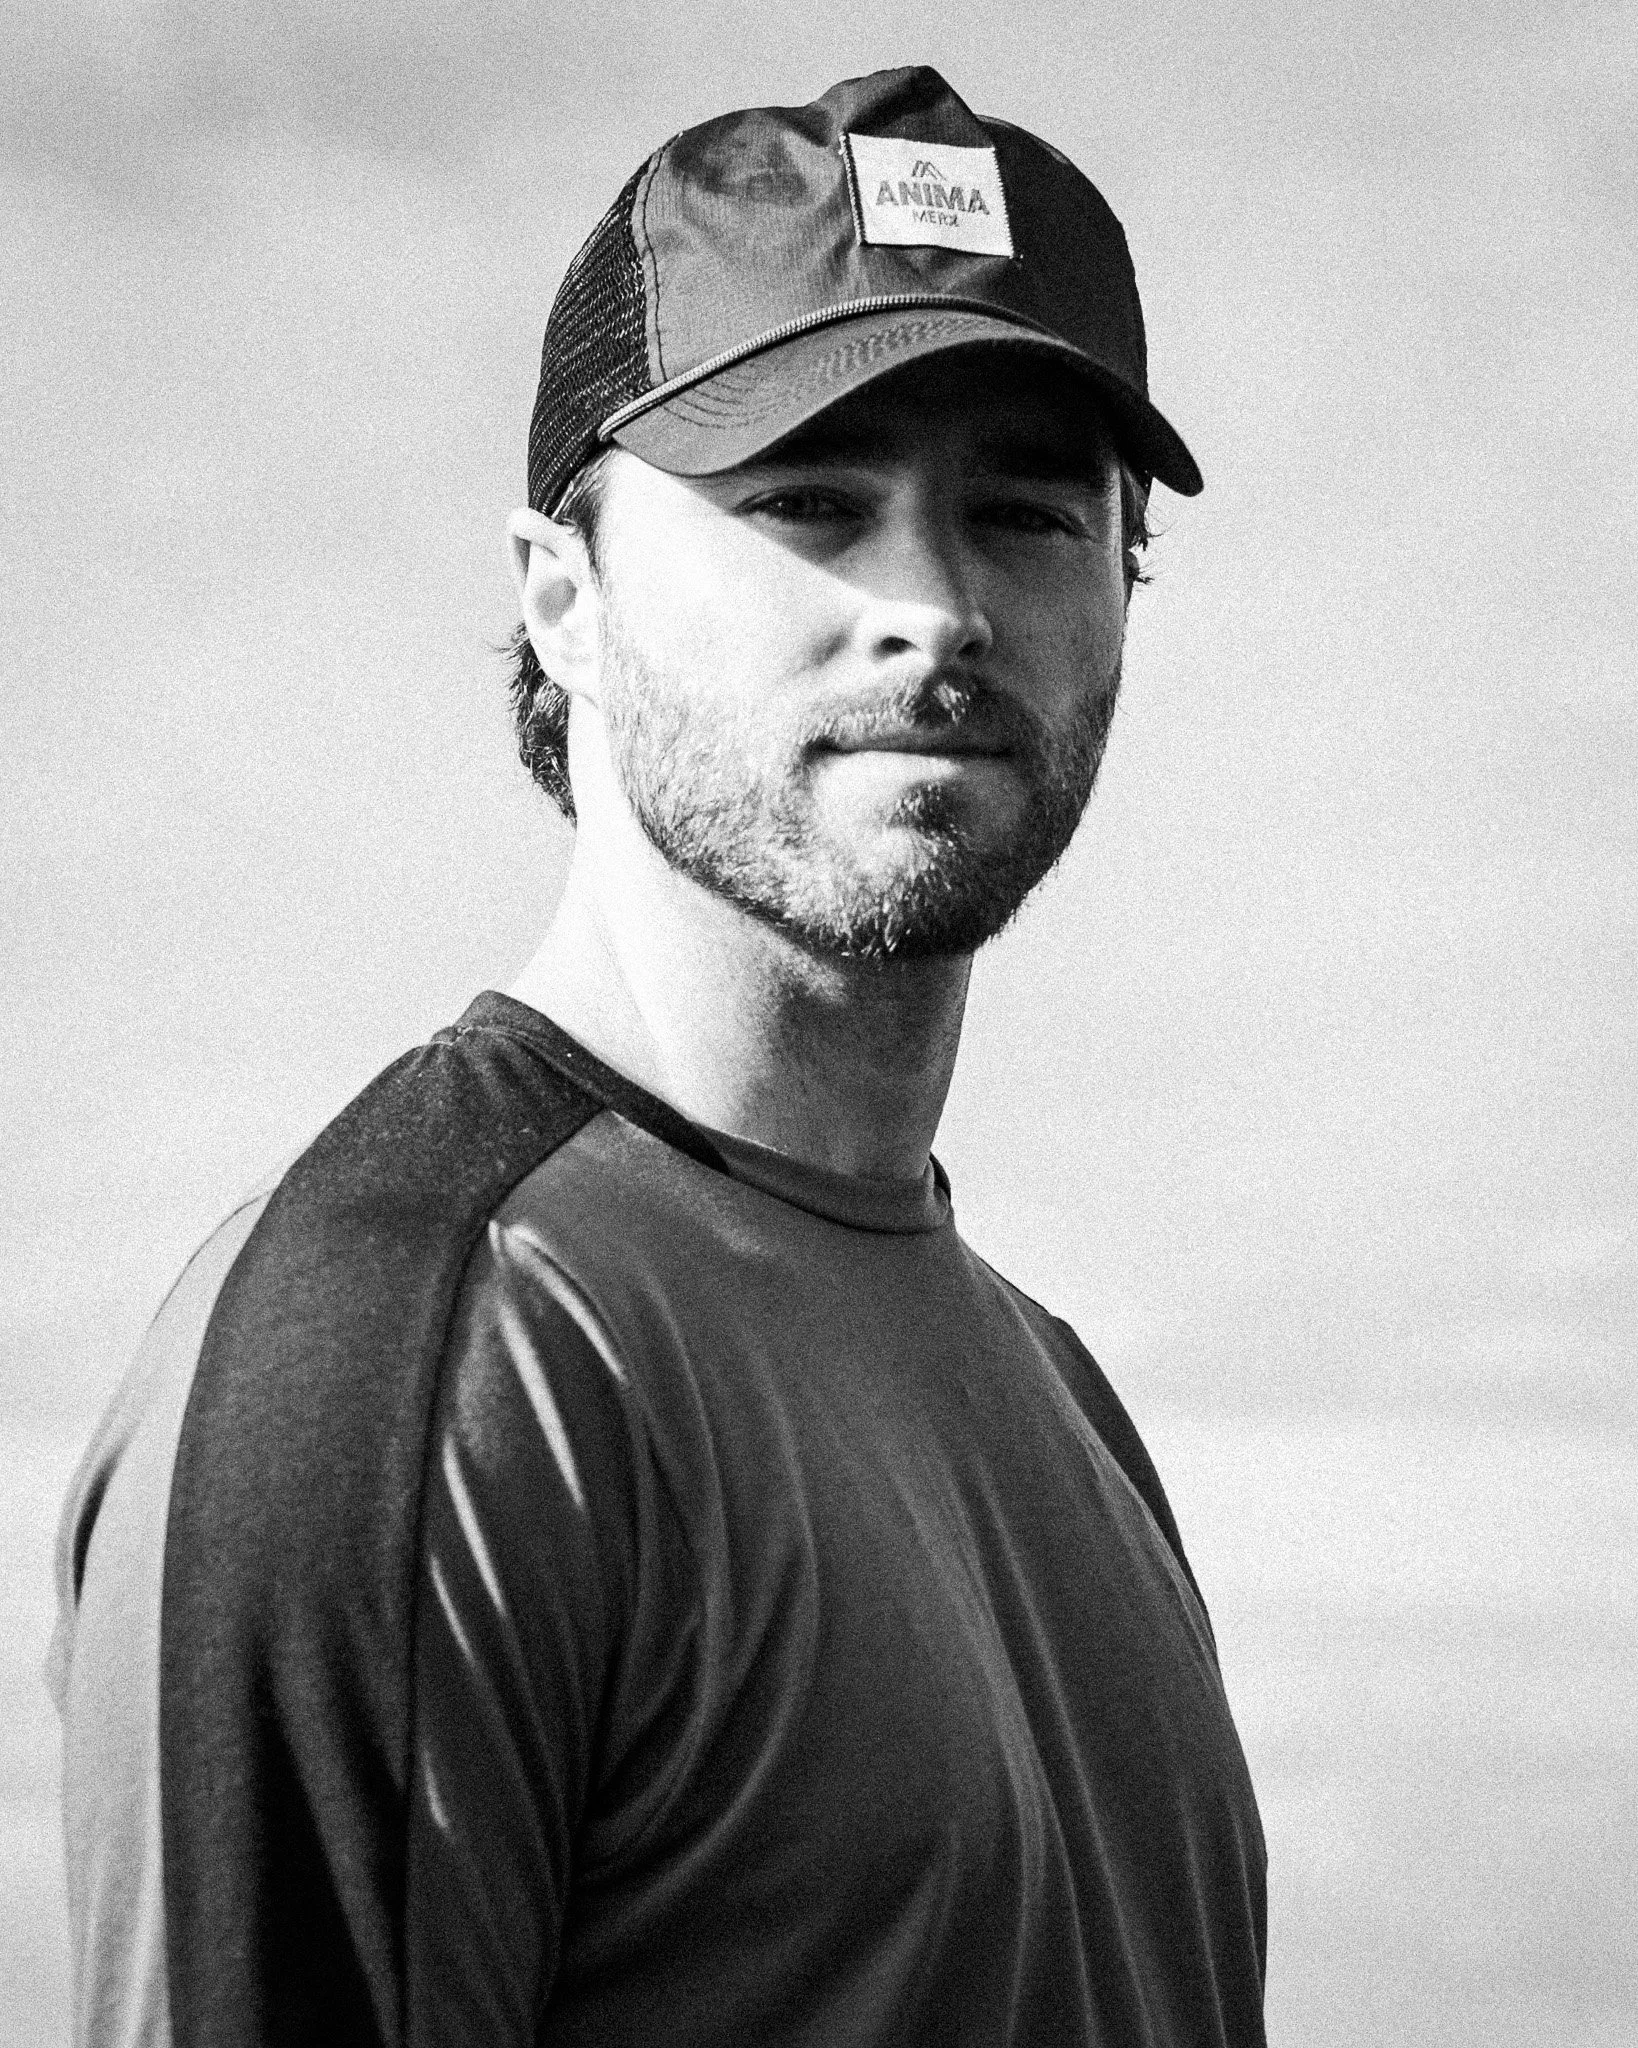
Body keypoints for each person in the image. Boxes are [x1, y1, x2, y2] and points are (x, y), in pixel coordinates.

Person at [50, 63, 1267, 2048]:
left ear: (1123, 588)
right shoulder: (418, 1352)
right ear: (567, 599)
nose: (934, 606)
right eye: (808, 498)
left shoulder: (1064, 1398)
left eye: (1027, 510)